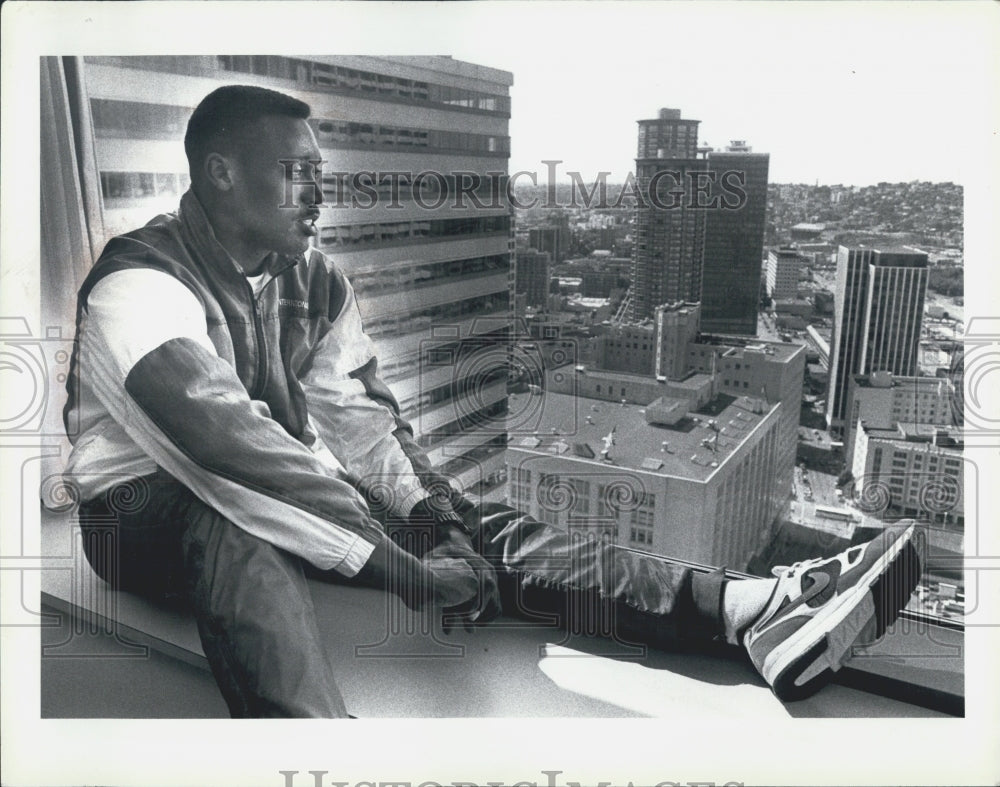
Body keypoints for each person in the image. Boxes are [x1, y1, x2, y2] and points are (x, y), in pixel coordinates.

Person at [63, 85, 922, 717]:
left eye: (320, 173)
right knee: (230, 522)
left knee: (473, 522)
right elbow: (226, 449)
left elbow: (364, 433)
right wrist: (404, 570)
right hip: (137, 513)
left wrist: (432, 519)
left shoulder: (315, 285)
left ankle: (749, 609)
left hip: (277, 495)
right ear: (219, 174)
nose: (320, 193)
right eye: (297, 173)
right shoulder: (137, 285)